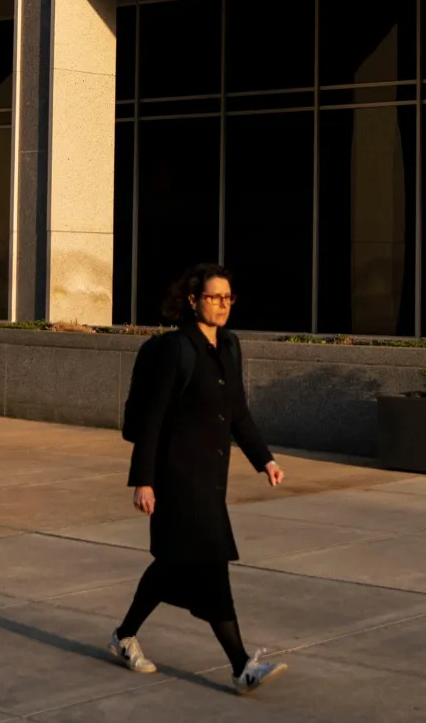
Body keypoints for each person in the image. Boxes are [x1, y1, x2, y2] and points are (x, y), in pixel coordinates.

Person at [110, 263, 287, 694]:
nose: (223, 305)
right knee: (211, 569)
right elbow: (152, 419)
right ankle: (241, 665)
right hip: (175, 478)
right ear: (193, 301)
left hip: (211, 478)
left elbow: (238, 413)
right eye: (215, 297)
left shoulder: (229, 345)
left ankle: (123, 636)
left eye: (229, 298)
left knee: (169, 567)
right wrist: (144, 480)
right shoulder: (177, 349)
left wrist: (264, 460)